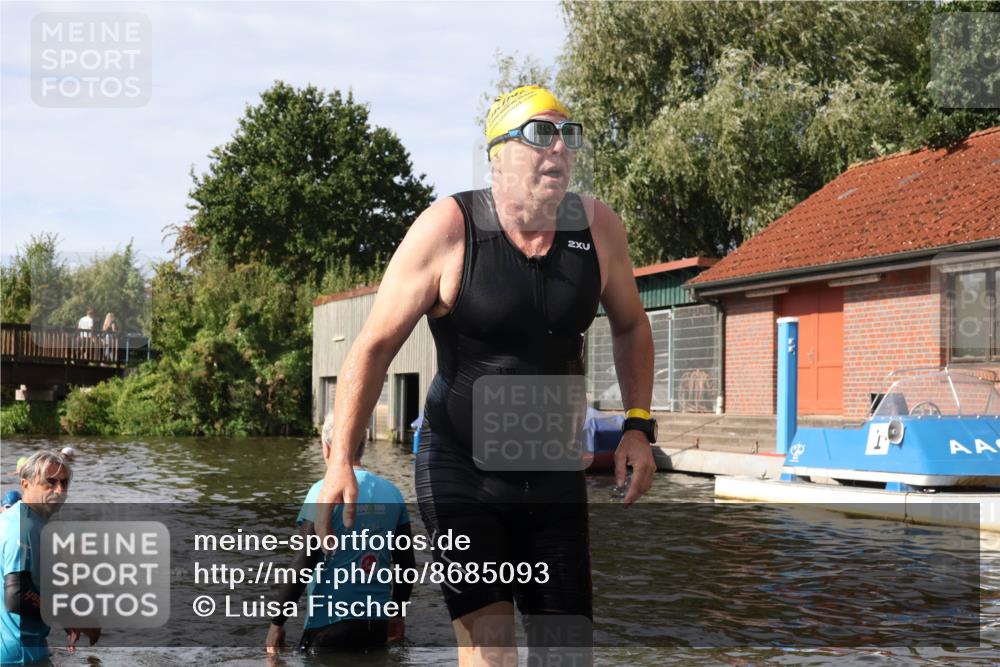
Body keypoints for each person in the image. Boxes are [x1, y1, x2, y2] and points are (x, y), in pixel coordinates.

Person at [314, 85, 657, 665]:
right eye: (540, 134)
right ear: (498, 155)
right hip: (461, 473)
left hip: (552, 473)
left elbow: (631, 326)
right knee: (492, 653)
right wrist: (342, 460)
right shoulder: (448, 229)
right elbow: (372, 347)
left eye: (568, 135)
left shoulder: (598, 228)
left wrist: (638, 425)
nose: (559, 148)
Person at [265, 412, 415, 655]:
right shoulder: (393, 493)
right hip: (376, 627)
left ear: (327, 448)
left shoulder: (322, 492)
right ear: (362, 446)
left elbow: (303, 563)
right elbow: (406, 564)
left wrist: (277, 623)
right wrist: (397, 615)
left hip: (327, 628)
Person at [1, 450, 100, 664]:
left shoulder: (20, 520)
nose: (59, 490)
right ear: (26, 484)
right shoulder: (23, 527)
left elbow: (30, 588)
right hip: (18, 656)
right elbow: (17, 595)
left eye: (64, 483)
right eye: (50, 481)